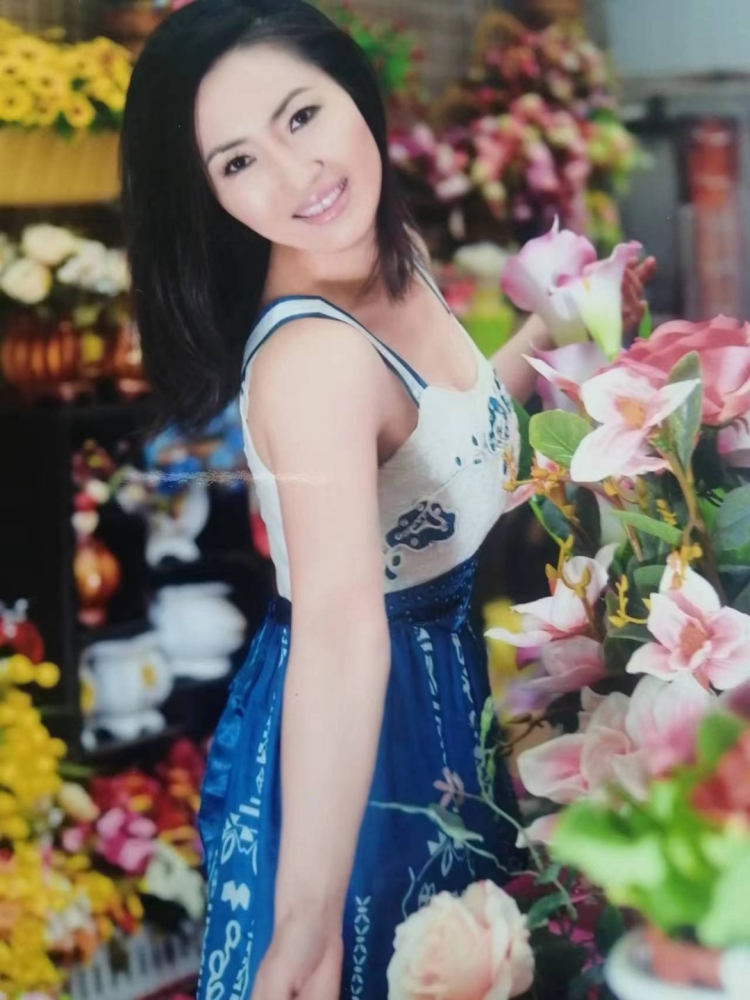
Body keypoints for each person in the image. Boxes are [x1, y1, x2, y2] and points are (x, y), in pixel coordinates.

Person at [120, 2, 654, 997]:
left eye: (300, 116)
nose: (298, 176)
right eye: (237, 162)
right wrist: (306, 921)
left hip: (442, 695)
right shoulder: (314, 361)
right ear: (207, 192)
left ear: (352, 89)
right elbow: (339, 627)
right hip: (360, 739)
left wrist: (551, 327)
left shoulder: (384, 256)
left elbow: (440, 458)